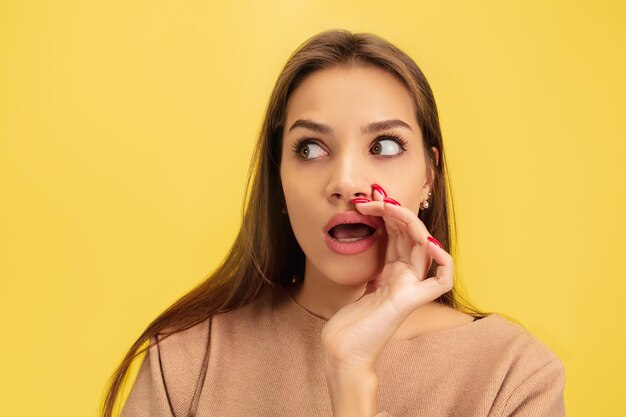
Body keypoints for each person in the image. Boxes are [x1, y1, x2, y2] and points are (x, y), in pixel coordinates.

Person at [101, 30, 566, 417]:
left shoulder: (513, 375)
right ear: (278, 180)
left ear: (429, 174)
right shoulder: (186, 363)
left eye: (384, 145)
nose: (345, 182)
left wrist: (352, 379)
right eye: (310, 149)